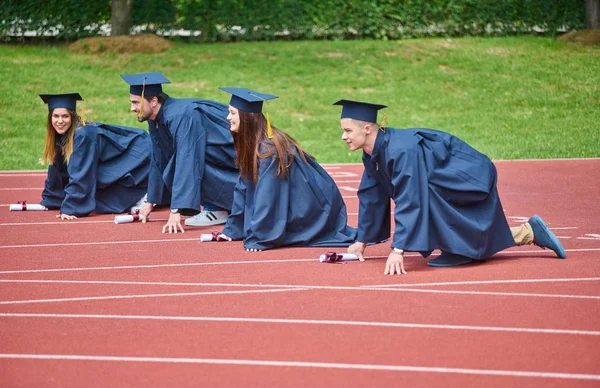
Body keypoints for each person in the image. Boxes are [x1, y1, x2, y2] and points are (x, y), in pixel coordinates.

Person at [335, 99, 566, 275]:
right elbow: (372, 196)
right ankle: (528, 232)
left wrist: (398, 250)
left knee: (437, 211)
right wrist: (361, 241)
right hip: (442, 178)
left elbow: (410, 198)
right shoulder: (373, 153)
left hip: (465, 176)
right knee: (452, 232)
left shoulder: (400, 150)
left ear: (367, 128)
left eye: (348, 130)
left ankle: (528, 232)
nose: (343, 136)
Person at [214, 87, 357, 251]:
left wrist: (260, 238)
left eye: (232, 113)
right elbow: (243, 188)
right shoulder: (254, 144)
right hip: (300, 201)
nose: (228, 117)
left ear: (248, 117)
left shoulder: (268, 150)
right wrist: (233, 229)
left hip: (312, 209)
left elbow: (267, 196)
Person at [121, 72, 239, 234]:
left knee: (186, 162)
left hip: (231, 155)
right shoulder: (155, 119)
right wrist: (150, 201)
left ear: (154, 101)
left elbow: (187, 158)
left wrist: (176, 211)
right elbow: (159, 158)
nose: (132, 108)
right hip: (212, 154)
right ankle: (218, 205)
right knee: (171, 163)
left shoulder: (181, 115)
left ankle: (217, 208)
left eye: (135, 102)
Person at [39, 93, 151, 219]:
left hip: (141, 155)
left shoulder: (82, 134)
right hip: (124, 157)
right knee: (93, 193)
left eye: (65, 116)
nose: (60, 121)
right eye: (56, 116)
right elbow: (57, 169)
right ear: (50, 118)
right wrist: (51, 199)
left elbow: (81, 172)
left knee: (102, 200)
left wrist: (71, 208)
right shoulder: (60, 135)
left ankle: (144, 194)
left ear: (72, 117)